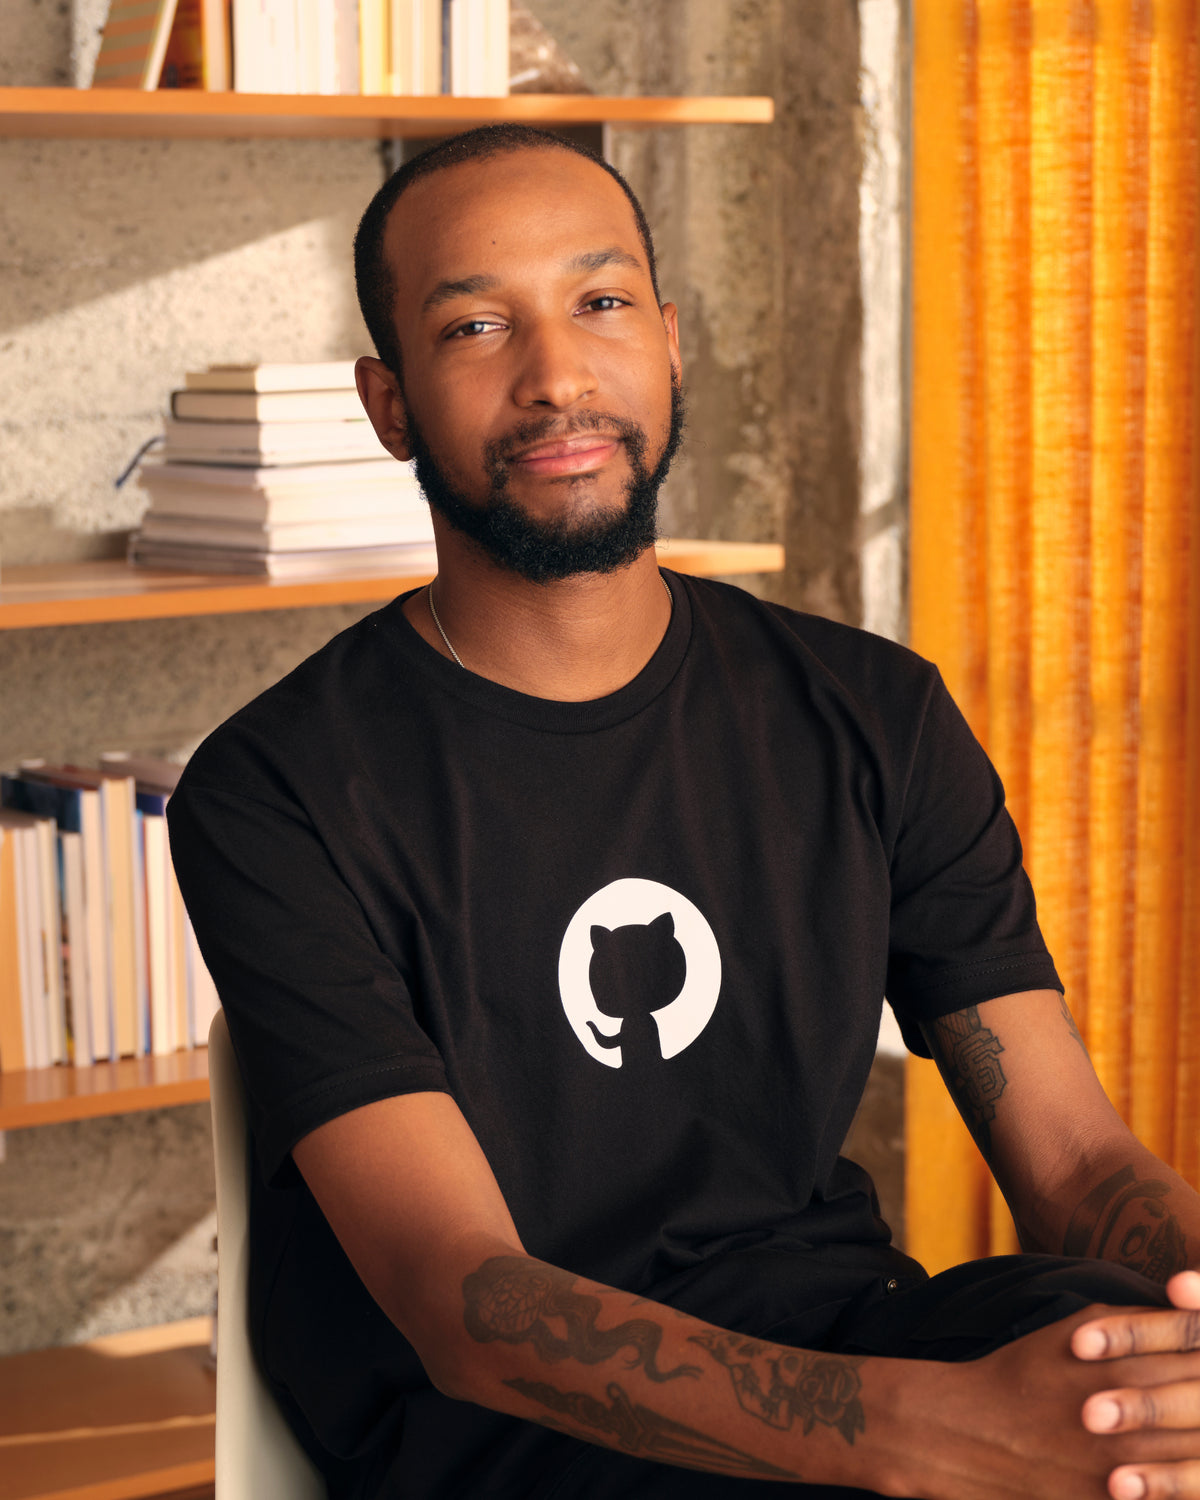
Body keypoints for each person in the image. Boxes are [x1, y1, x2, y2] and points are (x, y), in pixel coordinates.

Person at [168, 125, 1200, 1500]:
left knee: (1131, 1386)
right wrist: (917, 1439)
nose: (556, 376)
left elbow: (1072, 1157)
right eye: (476, 324)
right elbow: (463, 1298)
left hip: (835, 1329)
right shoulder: (278, 789)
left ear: (668, 342)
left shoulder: (873, 715)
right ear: (391, 404)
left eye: (599, 305)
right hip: (503, 1434)